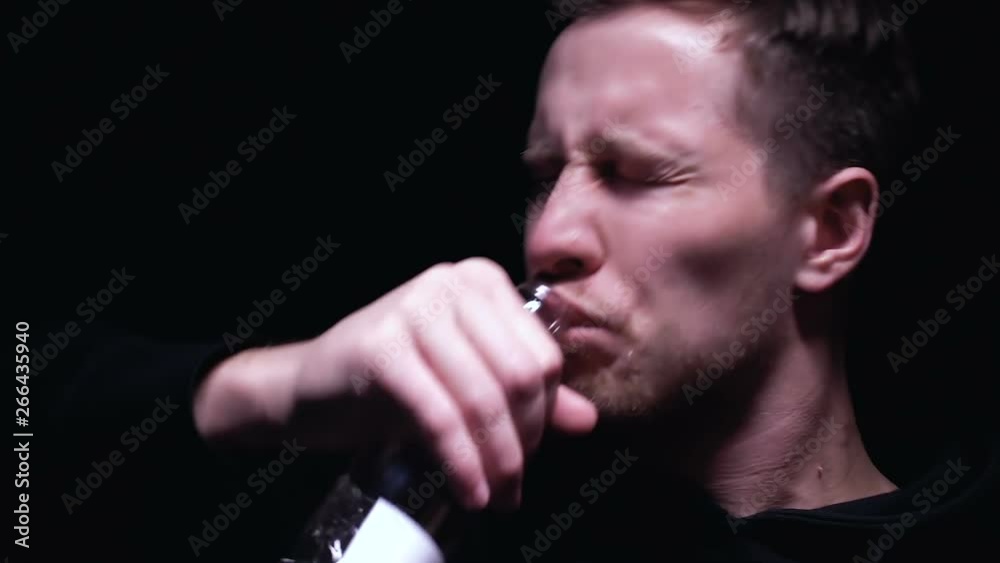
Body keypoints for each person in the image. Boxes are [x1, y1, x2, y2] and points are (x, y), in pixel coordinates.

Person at [37, 1, 996, 562]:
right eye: (544, 177)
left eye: (633, 173)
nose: (549, 235)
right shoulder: (433, 496)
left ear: (830, 231)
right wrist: (263, 389)